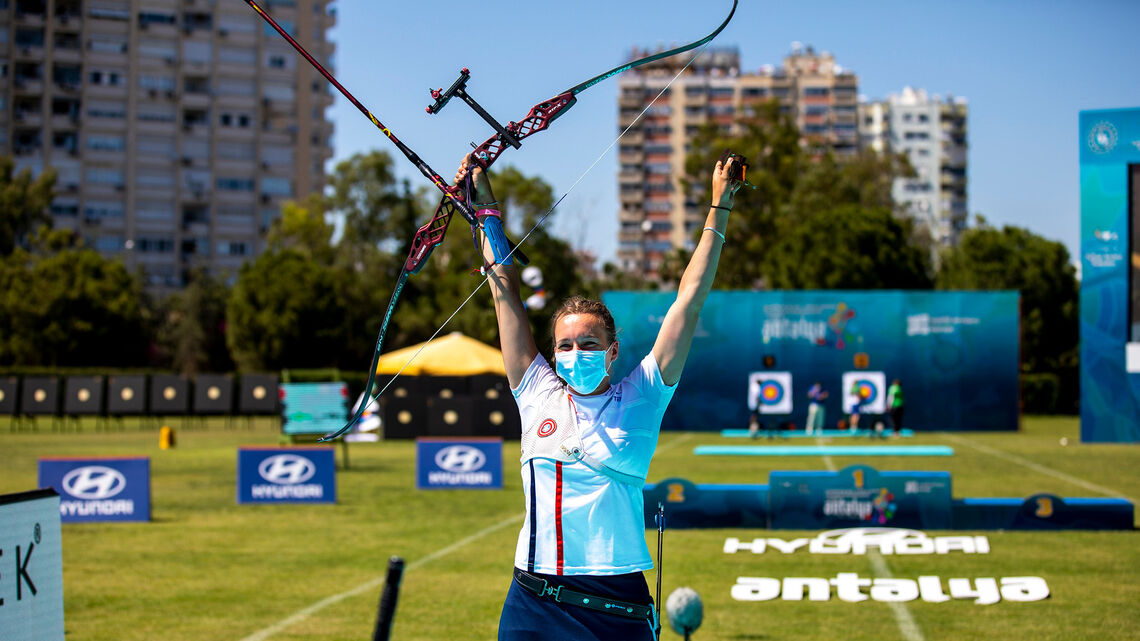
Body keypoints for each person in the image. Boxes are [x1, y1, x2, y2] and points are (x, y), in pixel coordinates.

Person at [454, 152, 743, 641]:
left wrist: (721, 207)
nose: (574, 353)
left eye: (588, 344)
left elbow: (689, 300)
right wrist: (484, 207)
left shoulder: (644, 394)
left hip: (616, 609)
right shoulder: (536, 391)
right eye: (564, 345)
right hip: (531, 604)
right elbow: (502, 288)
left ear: (612, 352)